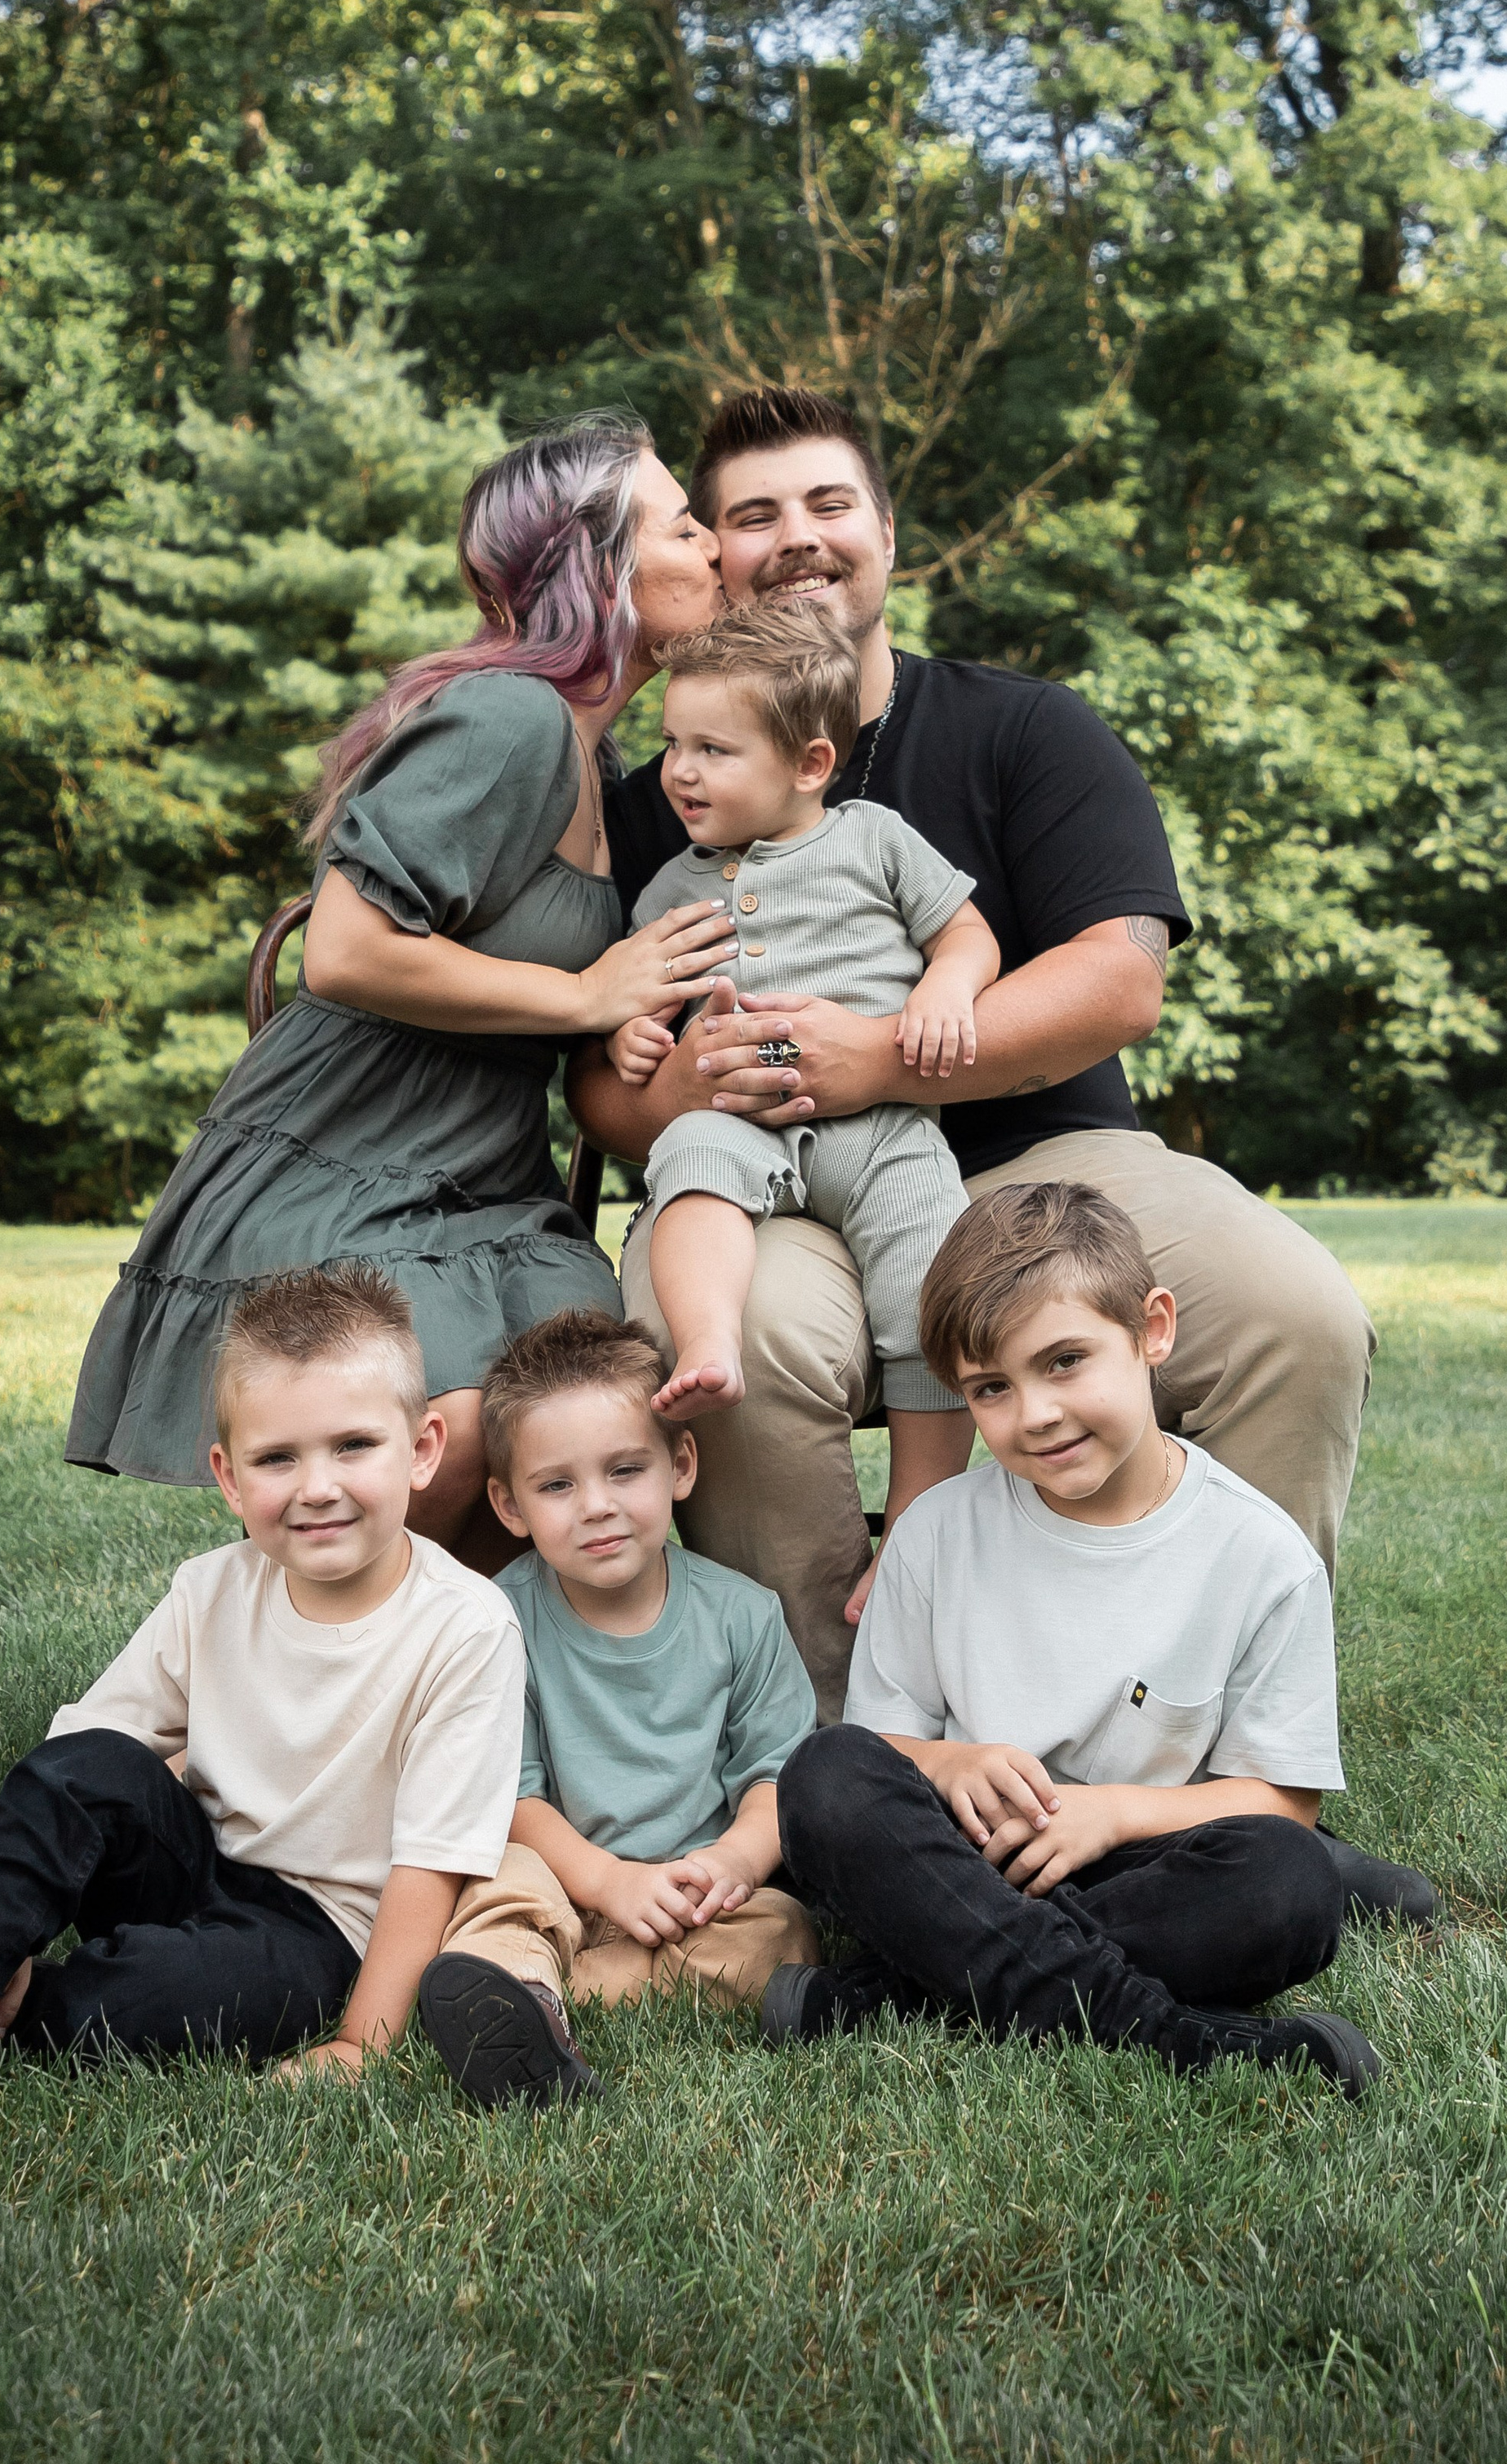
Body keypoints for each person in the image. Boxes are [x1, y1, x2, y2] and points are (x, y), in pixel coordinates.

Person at [575, 383, 1376, 1721]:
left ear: (888, 531)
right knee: (735, 1337)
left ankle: (1218, 1737)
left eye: (831, 503)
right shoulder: (667, 785)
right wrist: (698, 1075)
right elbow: (602, 1090)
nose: (800, 537)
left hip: (1047, 1162)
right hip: (771, 1173)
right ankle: (843, 1771)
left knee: (1294, 1314)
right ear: (712, 554)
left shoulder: (1025, 730)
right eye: (754, 515)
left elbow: (1121, 979)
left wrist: (884, 1059)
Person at [66, 413, 733, 1569]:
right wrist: (587, 996)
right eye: (684, 525)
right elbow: (347, 950)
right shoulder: (511, 717)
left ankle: (480, 1704)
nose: (717, 547)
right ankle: (291, 1695)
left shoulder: (603, 758)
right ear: (604, 562)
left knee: (575, 1416)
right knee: (454, 1432)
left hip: (481, 1181)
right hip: (341, 1153)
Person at [0, 1265, 524, 2153]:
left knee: (155, 2002)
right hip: (193, 1856)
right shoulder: (211, 1588)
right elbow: (81, 1758)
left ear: (422, 1448)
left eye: (352, 1446)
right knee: (87, 1764)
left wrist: (358, 2042)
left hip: (318, 1933)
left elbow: (430, 1865)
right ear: (227, 1475)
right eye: (276, 1457)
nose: (316, 1486)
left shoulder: (465, 1627)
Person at [764, 1182, 1382, 2098]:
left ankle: (891, 1994)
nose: (1036, 1413)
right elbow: (880, 1746)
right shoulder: (936, 1530)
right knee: (823, 1778)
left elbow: (1281, 1805)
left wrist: (1115, 1813)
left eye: (1064, 1361)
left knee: (1288, 1881)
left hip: (1135, 1858)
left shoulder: (1259, 1555)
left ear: (1152, 1328)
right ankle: (1173, 2037)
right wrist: (951, 1765)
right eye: (991, 1388)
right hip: (966, 1853)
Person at [609, 601, 999, 1556]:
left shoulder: (872, 838)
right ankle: (707, 1342)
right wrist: (633, 1034)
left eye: (714, 749)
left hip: (881, 1127)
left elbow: (965, 932)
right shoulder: (672, 888)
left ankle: (917, 1514)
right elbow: (644, 1000)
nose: (680, 771)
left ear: (809, 763)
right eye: (670, 744)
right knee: (690, 1166)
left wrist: (947, 986)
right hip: (742, 1121)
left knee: (927, 1265)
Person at [415, 1308, 820, 2109]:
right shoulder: (497, 1619)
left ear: (680, 1465)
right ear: (508, 1505)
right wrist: (605, 1882)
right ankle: (522, 1994)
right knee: (494, 1879)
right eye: (557, 1485)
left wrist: (731, 1864)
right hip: (560, 1878)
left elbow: (775, 1777)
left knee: (782, 1930)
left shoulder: (742, 1616)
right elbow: (511, 1799)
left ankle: (562, 1997)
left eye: (625, 1470)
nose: (595, 1505)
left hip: (690, 1892)